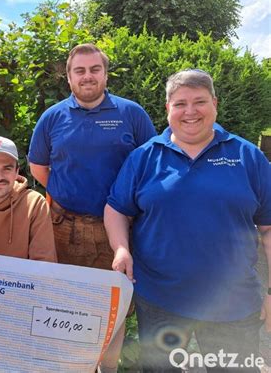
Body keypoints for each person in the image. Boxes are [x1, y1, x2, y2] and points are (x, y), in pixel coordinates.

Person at [105, 69, 271, 372]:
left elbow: (269, 228)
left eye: (200, 101)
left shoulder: (248, 156)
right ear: (168, 109)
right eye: (180, 103)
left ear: (215, 104)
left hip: (233, 304)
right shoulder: (144, 156)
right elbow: (116, 208)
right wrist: (121, 249)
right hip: (160, 302)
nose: (190, 111)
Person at [28, 43, 156, 372]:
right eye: (79, 71)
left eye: (94, 69)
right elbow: (38, 168)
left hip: (119, 232)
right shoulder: (52, 117)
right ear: (68, 78)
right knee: (64, 306)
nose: (88, 76)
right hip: (62, 229)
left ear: (105, 74)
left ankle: (107, 369)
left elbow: (150, 166)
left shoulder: (131, 114)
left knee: (113, 308)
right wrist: (67, 195)